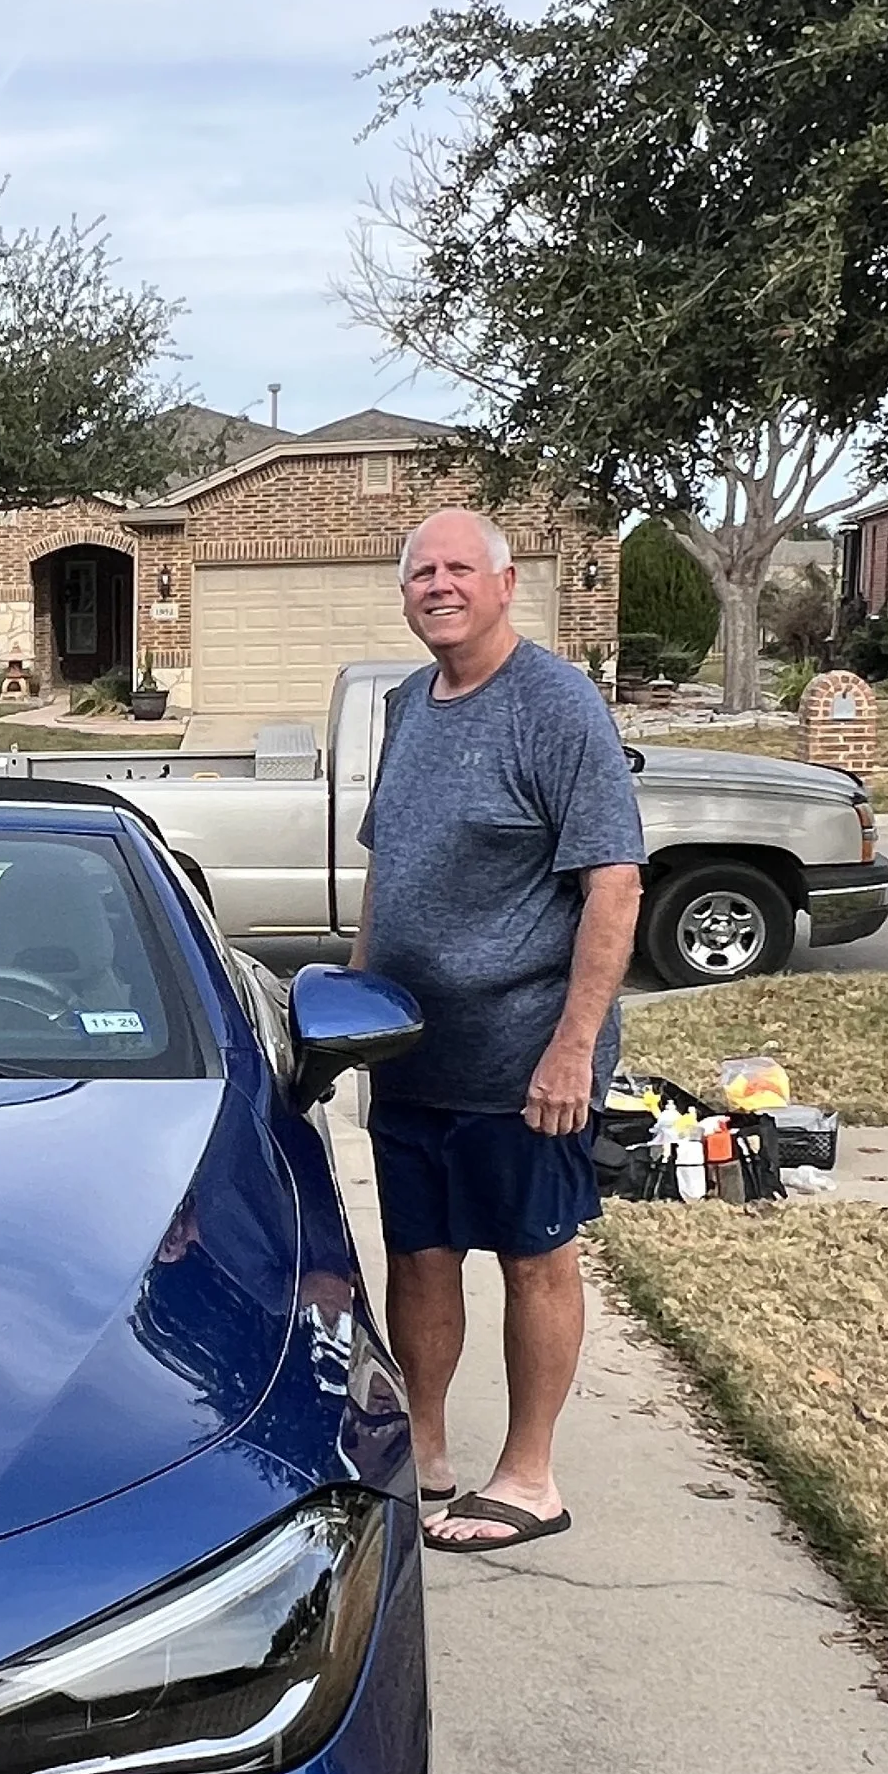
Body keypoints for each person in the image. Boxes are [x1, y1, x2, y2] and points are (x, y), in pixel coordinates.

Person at [352, 510, 644, 1552]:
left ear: (505, 584)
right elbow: (389, 863)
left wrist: (573, 1045)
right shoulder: (407, 703)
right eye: (420, 572)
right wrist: (355, 1001)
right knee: (420, 1254)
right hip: (412, 1051)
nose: (437, 585)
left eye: (457, 569)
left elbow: (613, 886)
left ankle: (529, 1478)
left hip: (525, 1054)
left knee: (532, 1257)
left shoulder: (557, 704)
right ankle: (424, 1453)